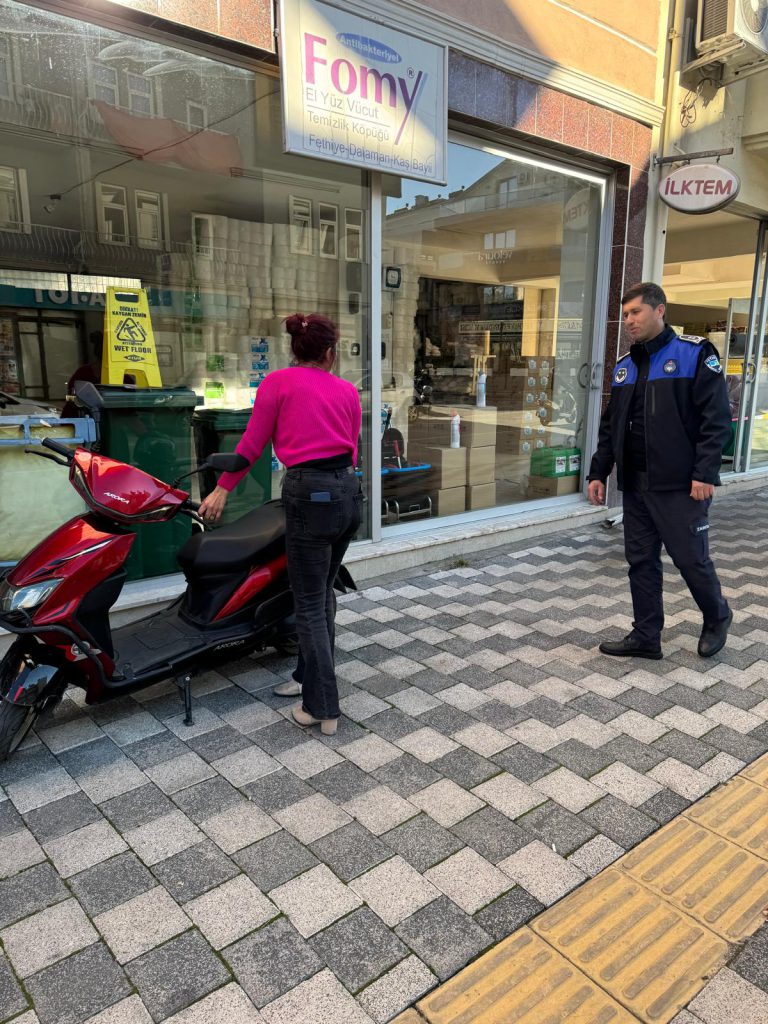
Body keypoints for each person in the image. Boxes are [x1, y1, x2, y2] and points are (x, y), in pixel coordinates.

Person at [198, 314, 362, 735]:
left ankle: (321, 707)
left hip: (308, 494)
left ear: (295, 349)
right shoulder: (347, 391)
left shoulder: (277, 384)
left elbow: (251, 444)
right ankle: (306, 679)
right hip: (348, 493)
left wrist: (222, 489)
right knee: (321, 592)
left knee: (307, 601)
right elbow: (354, 449)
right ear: (330, 352)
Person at [587, 282, 733, 660]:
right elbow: (610, 427)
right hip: (635, 486)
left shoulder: (694, 355)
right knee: (641, 561)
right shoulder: (624, 367)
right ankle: (646, 636)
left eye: (636, 312)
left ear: (659, 310)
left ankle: (717, 616)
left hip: (680, 486)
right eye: (626, 315)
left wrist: (705, 473)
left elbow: (715, 421)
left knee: (690, 559)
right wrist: (597, 473)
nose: (629, 321)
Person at [61, 331, 103, 418]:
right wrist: (78, 401)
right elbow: (68, 397)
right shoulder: (83, 372)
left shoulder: (124, 377)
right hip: (80, 420)